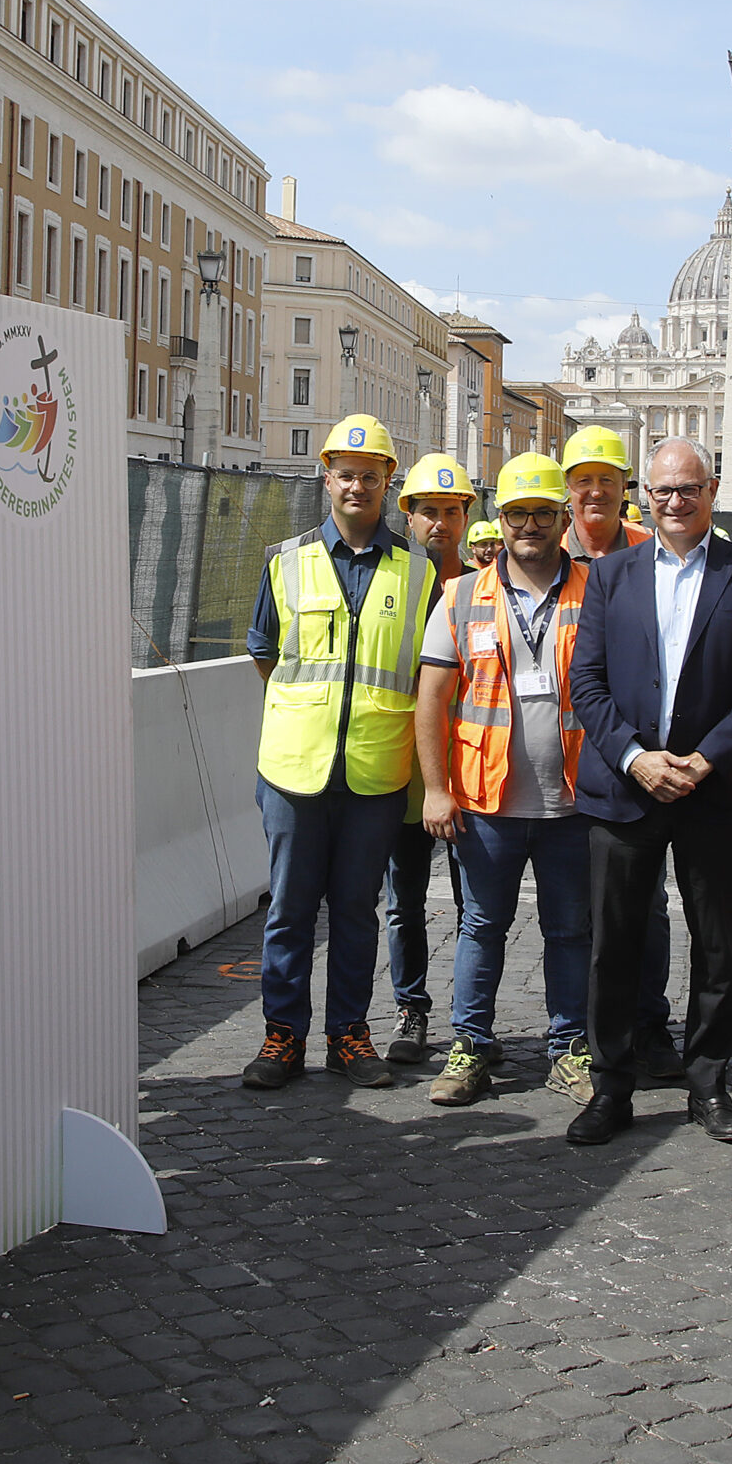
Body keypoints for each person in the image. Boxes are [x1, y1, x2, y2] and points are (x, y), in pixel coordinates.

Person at [561, 438, 732, 1145]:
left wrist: (703, 760)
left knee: (714, 944)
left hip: (710, 792)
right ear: (644, 496)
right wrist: (636, 758)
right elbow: (586, 682)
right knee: (614, 947)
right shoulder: (610, 576)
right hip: (625, 789)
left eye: (688, 488)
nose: (676, 501)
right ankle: (611, 1086)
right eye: (663, 490)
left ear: (711, 490)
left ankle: (708, 1081)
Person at [241, 415, 436, 1091]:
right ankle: (283, 1035)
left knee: (355, 910)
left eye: (370, 473)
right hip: (295, 767)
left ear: (389, 481)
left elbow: (425, 670)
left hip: (376, 770)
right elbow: (263, 652)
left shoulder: (418, 571)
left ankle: (349, 1034)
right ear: (327, 477)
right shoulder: (286, 560)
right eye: (345, 472)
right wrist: (312, 715)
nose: (357, 484)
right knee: (291, 908)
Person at [414, 455, 593, 1105]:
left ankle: (569, 1046)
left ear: (561, 519)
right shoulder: (462, 598)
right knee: (481, 925)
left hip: (572, 800)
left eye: (543, 513)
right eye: (519, 513)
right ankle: (469, 1046)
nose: (530, 525)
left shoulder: (593, 591)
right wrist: (436, 788)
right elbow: (431, 698)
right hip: (486, 800)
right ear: (503, 519)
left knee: (570, 928)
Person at [559, 425, 682, 1081]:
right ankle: (587, 1029)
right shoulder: (544, 555)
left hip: (633, 761)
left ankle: (649, 1022)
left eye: (608, 479)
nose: (596, 491)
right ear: (569, 491)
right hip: (563, 764)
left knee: (649, 904)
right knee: (577, 910)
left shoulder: (652, 552)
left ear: (623, 487)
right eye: (585, 481)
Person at [382, 455, 479, 1065]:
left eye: (450, 511)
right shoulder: (392, 586)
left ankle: (475, 1025)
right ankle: (411, 1009)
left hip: (468, 773)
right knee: (405, 901)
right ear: (409, 517)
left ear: (467, 516)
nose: (440, 523)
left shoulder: (481, 588)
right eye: (428, 512)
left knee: (477, 906)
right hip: (405, 771)